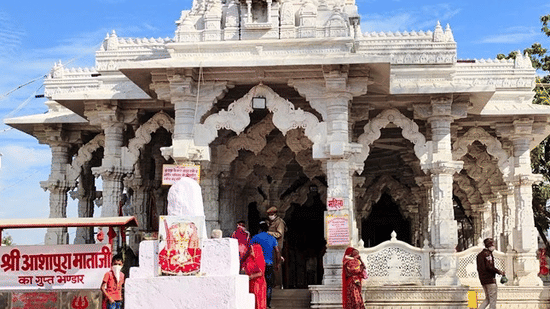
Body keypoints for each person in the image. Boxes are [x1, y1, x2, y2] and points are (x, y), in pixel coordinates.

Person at [250, 221, 280, 309]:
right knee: (269, 284)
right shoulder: (272, 238)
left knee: (259, 285)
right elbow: (277, 252)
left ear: (259, 229)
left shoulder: (255, 237)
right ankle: (267, 304)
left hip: (258, 265)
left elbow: (250, 250)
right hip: (269, 264)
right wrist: (277, 263)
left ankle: (260, 304)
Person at [476, 238, 505, 309]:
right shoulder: (488, 254)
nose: (494, 246)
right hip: (490, 280)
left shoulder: (479, 255)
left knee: (488, 299)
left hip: (483, 280)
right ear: (489, 245)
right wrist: (499, 272)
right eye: (493, 244)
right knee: (492, 300)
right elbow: (489, 267)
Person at [242, 243, 267, 309]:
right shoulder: (249, 259)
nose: (251, 251)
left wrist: (250, 277)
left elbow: (261, 273)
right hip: (250, 283)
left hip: (258, 283)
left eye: (252, 250)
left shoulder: (260, 259)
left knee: (258, 300)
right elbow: (244, 267)